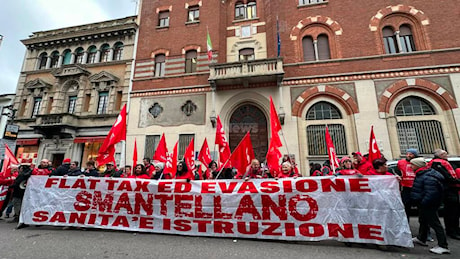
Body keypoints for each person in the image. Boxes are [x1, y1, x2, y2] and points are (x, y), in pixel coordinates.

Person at [410, 158, 450, 255]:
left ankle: (443, 246)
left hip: (429, 205)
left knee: (435, 224)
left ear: (417, 166)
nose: (411, 167)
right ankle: (421, 238)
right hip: (425, 204)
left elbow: (432, 193)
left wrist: (423, 203)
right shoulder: (423, 174)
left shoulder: (428, 176)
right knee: (423, 221)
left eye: (412, 165)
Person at [427, 149, 460, 239]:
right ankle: (452, 230)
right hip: (447, 190)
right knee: (451, 211)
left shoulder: (439, 162)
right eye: (444, 154)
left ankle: (455, 229)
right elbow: (446, 176)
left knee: (454, 211)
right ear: (440, 155)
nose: (447, 155)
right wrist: (456, 181)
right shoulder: (437, 163)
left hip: (451, 189)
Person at [7, 164, 32, 228]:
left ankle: (19, 218)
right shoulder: (28, 174)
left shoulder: (21, 175)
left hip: (18, 192)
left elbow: (17, 183)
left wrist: (9, 186)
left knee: (17, 204)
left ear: (22, 168)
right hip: (23, 192)